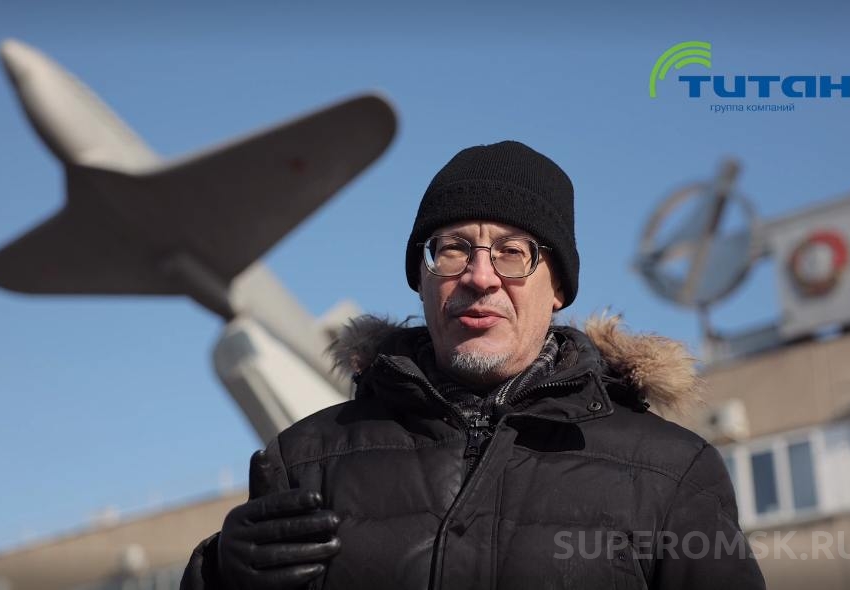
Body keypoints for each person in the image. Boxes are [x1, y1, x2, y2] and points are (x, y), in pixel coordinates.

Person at [181, 141, 765, 589]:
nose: (480, 276)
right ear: (422, 279)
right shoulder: (306, 460)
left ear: (558, 288)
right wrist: (216, 577)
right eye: (453, 248)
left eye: (513, 252)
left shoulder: (671, 472)